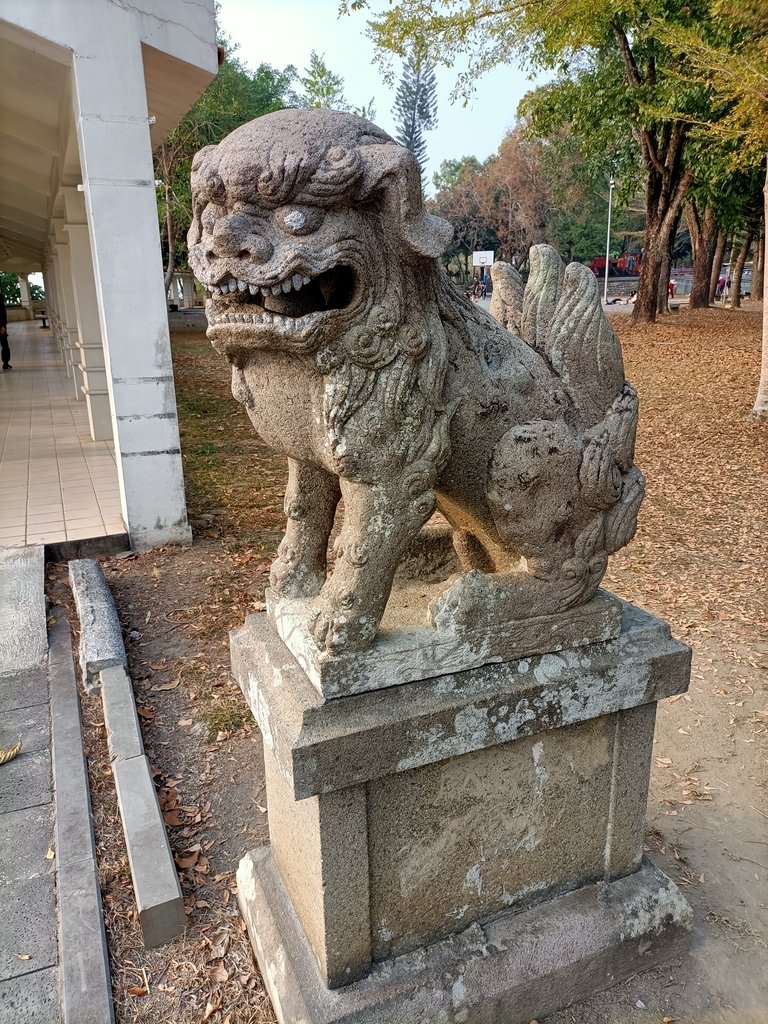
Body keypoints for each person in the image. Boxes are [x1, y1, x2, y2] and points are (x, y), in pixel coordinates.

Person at [0, 294, 10, 371]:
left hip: (1, 327)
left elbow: (3, 314)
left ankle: (5, 363)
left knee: (5, 346)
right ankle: (5, 363)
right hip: (1, 327)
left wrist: (3, 326)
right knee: (5, 346)